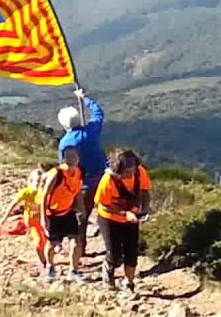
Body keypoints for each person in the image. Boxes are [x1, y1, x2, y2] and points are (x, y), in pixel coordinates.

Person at [57, 88, 108, 266]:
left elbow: (65, 167)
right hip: (104, 181)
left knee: (81, 218)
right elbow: (98, 113)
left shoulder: (66, 142)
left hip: (83, 186)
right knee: (107, 214)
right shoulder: (92, 130)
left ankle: (80, 249)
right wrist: (84, 98)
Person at [94, 148, 152, 291]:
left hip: (131, 218)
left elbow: (145, 191)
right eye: (126, 172)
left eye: (132, 170)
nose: (130, 173)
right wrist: (124, 213)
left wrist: (144, 210)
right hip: (109, 218)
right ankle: (108, 273)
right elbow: (103, 204)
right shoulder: (108, 180)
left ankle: (129, 282)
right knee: (114, 253)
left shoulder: (140, 172)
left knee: (131, 252)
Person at [0, 163, 55, 272]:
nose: (38, 184)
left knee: (47, 241)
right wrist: (4, 218)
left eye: (41, 181)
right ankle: (42, 261)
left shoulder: (45, 193)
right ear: (31, 181)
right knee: (38, 242)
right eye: (36, 181)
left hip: (44, 220)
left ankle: (48, 259)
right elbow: (13, 204)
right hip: (32, 222)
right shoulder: (26, 192)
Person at [39, 145, 86, 283]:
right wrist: (43, 218)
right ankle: (50, 266)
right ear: (63, 159)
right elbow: (44, 196)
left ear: (78, 158)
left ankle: (73, 270)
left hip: (68, 211)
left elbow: (77, 191)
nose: (72, 159)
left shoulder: (79, 172)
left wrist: (81, 208)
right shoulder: (56, 174)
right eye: (68, 156)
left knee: (76, 240)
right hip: (52, 213)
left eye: (74, 156)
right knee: (52, 243)